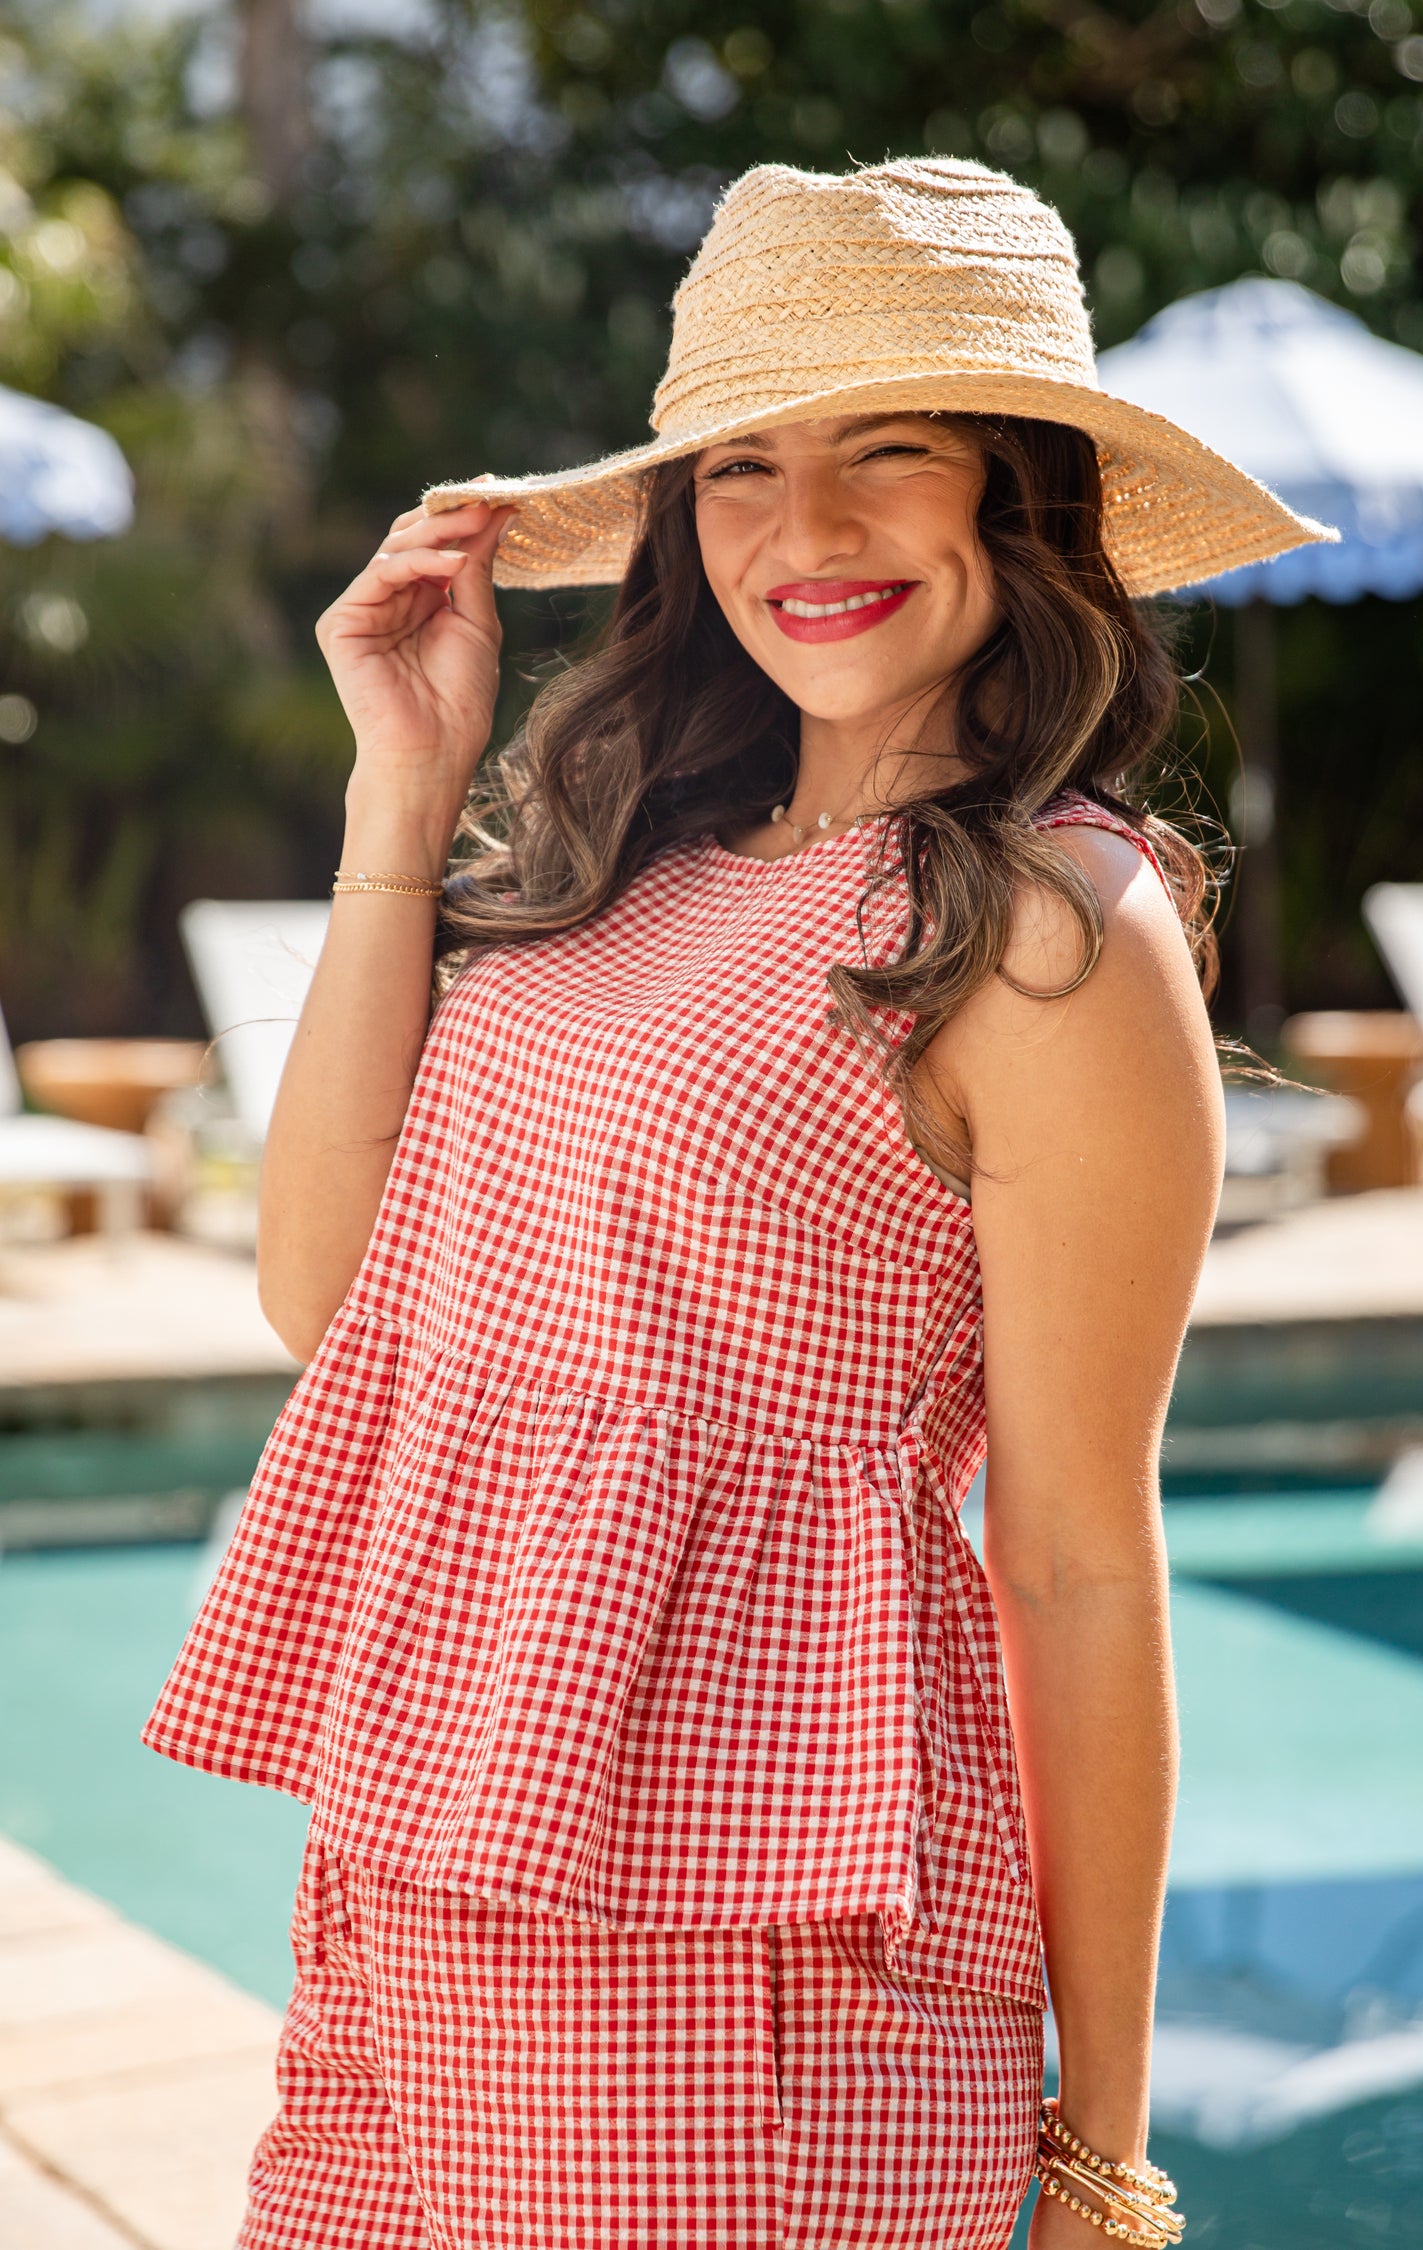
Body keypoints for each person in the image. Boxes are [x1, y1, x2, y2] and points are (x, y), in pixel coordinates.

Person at [145, 158, 1328, 2249]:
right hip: (433, 1854)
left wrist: (1103, 2149)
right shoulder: (643, 856)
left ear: (1022, 501)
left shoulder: (1055, 918)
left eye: (894, 455)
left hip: (750, 1921)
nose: (812, 530)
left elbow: (1074, 1558)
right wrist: (399, 801)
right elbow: (334, 1297)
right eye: (748, 468)